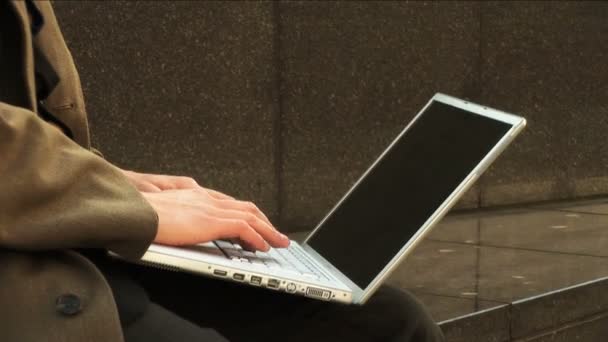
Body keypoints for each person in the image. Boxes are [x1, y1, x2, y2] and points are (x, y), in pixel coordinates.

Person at [0, 1, 445, 341]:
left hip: (62, 232)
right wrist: (109, 199)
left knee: (392, 323)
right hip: (23, 265)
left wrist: (103, 178)